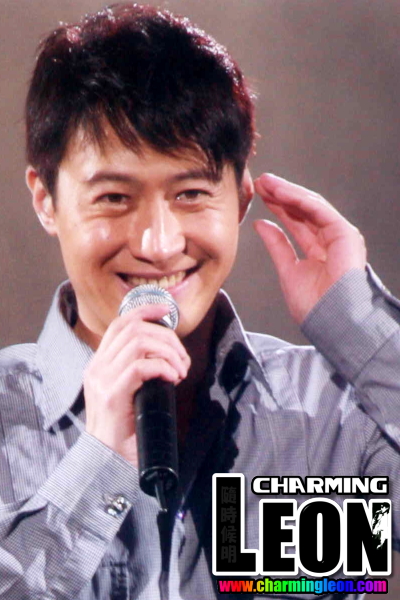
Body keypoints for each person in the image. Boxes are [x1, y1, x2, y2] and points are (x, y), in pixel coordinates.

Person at [0, 3, 399, 599]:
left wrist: (361, 328)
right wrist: (97, 465)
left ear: (241, 198)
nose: (159, 245)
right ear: (45, 200)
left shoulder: (332, 417)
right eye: (113, 198)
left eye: (190, 193)